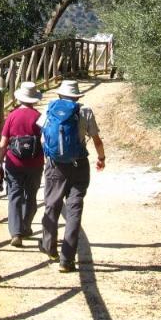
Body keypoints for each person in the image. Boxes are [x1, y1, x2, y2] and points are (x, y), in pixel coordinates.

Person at [39, 79, 105, 273]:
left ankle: (50, 248)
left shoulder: (50, 110)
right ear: (77, 97)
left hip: (55, 166)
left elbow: (42, 136)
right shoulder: (85, 112)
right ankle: (67, 260)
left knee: (52, 205)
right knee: (74, 210)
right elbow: (97, 140)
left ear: (60, 94)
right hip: (79, 165)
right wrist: (101, 158)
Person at [0, 81, 44, 247]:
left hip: (14, 162)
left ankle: (16, 232)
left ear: (20, 98)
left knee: (15, 195)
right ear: (34, 99)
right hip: (35, 163)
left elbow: (3, 143)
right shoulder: (40, 116)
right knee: (31, 196)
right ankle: (26, 227)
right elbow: (44, 141)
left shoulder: (12, 116)